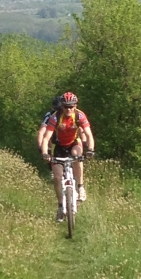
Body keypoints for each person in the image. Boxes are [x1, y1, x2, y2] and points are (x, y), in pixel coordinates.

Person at [41, 91, 95, 222]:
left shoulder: (79, 116)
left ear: (75, 105)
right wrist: (45, 153)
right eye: (66, 106)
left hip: (73, 143)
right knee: (58, 177)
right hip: (59, 147)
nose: (69, 109)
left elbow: (89, 135)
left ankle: (80, 186)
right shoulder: (55, 117)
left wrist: (91, 150)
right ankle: (60, 206)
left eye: (71, 106)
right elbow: (46, 137)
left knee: (77, 155)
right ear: (62, 106)